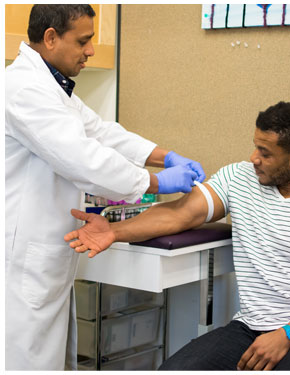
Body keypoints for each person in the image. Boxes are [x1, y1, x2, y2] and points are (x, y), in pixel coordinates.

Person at [65, 101, 290, 370]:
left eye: (265, 153)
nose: (254, 158)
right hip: (248, 328)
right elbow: (181, 213)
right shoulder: (239, 178)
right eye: (255, 146)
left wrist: (286, 335)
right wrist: (114, 230)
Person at [5, 5, 205, 370]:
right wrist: (157, 182)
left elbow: (101, 133)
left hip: (45, 255)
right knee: (25, 360)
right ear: (51, 38)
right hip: (20, 259)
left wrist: (165, 156)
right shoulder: (23, 89)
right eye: (83, 41)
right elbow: (82, 158)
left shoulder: (53, 88)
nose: (91, 50)